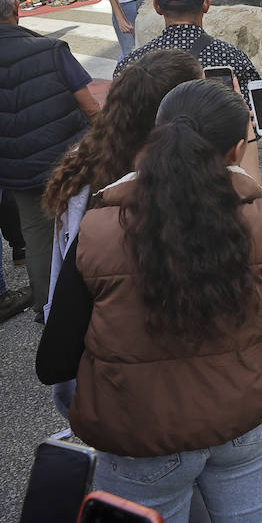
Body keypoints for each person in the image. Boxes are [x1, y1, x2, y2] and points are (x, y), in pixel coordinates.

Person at [37, 78, 262, 520]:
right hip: (244, 422)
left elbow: (53, 363)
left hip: (140, 437)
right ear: (234, 151)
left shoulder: (96, 231)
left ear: (158, 133)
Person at [41, 48, 204, 400]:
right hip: (188, 377)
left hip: (115, 381)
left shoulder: (83, 165)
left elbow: (60, 328)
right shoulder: (195, 178)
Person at [0, 0, 99, 322]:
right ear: (16, 9)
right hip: (66, 160)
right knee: (81, 226)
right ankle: (92, 300)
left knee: (37, 235)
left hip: (14, 169)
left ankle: (50, 309)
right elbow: (90, 108)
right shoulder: (50, 49)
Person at [114, 0, 261, 92]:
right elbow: (255, 113)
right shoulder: (233, 59)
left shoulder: (130, 65)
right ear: (206, 4)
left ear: (157, 7)